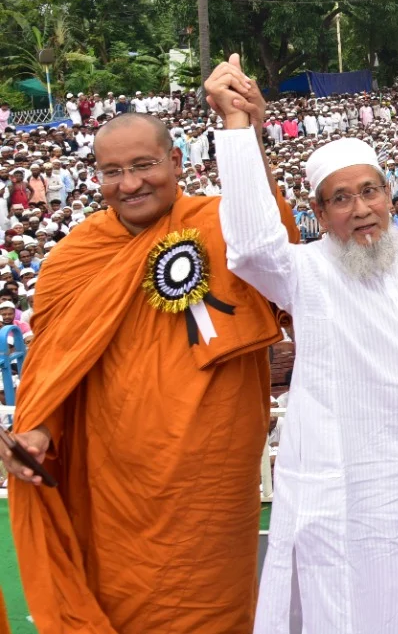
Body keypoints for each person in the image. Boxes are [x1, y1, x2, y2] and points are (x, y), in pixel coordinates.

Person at [2, 110, 297, 634]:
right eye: (112, 171)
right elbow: (58, 367)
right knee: (119, 602)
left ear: (176, 161)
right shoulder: (74, 258)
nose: (129, 183)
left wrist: (244, 129)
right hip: (112, 482)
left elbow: (275, 247)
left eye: (143, 165)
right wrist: (40, 431)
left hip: (208, 480)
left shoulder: (222, 224)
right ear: (96, 176)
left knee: (209, 608)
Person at [206, 56, 398, 634]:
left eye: (369, 192)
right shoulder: (303, 271)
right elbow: (254, 246)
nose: (361, 209)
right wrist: (239, 128)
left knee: (395, 608)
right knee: (335, 606)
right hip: (339, 482)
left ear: (389, 194)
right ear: (319, 212)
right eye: (341, 199)